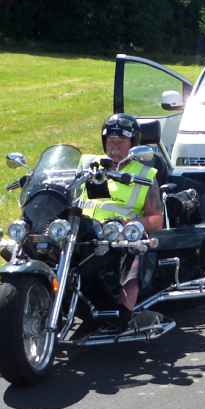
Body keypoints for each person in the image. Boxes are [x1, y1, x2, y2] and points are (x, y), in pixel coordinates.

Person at [77, 113, 165, 332]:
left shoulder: (144, 173)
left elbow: (156, 219)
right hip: (84, 229)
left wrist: (132, 224)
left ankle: (122, 314)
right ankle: (16, 302)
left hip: (118, 234)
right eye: (110, 141)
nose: (114, 146)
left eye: (120, 141)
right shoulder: (92, 167)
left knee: (133, 252)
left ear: (133, 144)